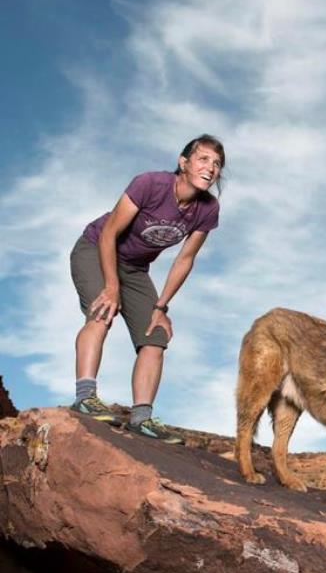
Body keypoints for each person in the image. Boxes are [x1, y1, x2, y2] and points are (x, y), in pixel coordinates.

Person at [69, 134, 224, 443]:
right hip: (96, 248)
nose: (211, 168)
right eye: (203, 159)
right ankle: (85, 397)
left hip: (136, 269)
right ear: (184, 162)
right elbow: (109, 233)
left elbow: (185, 259)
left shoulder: (208, 208)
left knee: (156, 335)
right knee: (103, 311)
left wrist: (161, 307)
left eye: (217, 164)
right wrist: (111, 286)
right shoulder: (150, 184)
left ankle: (142, 418)